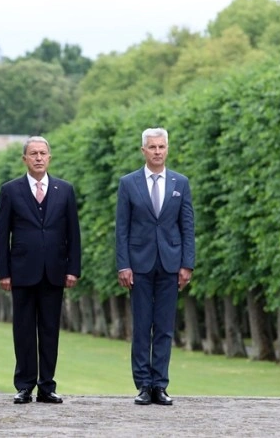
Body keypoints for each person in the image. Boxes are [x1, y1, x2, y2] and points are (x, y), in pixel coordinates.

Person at [0, 136, 82, 405]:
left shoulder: (64, 190)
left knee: (49, 330)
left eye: (43, 153)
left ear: (50, 157)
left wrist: (73, 269)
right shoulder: (10, 190)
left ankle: (47, 385)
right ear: (25, 159)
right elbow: (2, 234)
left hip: (54, 271)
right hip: (21, 271)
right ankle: (24, 385)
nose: (39, 158)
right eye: (33, 153)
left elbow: (73, 234)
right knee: (22, 330)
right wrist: (4, 272)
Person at [115, 127, 195, 406]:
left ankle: (160, 384)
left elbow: (187, 225)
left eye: (161, 147)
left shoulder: (180, 183)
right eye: (152, 147)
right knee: (141, 326)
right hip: (138, 264)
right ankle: (143, 386)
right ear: (143, 151)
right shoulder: (128, 183)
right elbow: (121, 228)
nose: (157, 151)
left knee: (164, 327)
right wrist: (123, 264)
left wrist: (187, 264)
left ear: (167, 149)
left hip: (171, 263)